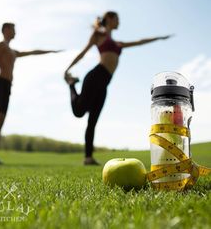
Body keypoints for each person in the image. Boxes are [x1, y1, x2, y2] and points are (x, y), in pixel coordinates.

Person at [64, 11, 172, 165]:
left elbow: (140, 41)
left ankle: (88, 158)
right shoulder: (98, 35)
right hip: (95, 76)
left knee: (93, 120)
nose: (119, 21)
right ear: (108, 19)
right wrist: (68, 67)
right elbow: (83, 52)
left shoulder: (117, 43)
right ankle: (71, 84)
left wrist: (158, 38)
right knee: (79, 112)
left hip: (105, 83)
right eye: (117, 19)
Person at [0, 23, 62, 164]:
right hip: (0, 84)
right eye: (13, 29)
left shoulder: (13, 51)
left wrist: (50, 51)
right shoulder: (0, 46)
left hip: (7, 86)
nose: (15, 31)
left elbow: (33, 52)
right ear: (5, 30)